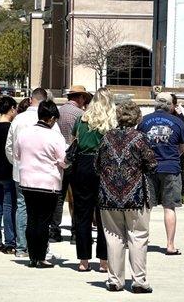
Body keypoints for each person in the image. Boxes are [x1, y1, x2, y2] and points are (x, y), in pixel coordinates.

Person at [95, 101, 157, 293]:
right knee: (138, 236)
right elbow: (152, 164)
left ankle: (115, 281)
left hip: (108, 197)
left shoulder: (106, 137)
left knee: (113, 237)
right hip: (136, 196)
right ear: (137, 118)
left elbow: (96, 165)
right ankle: (139, 281)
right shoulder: (141, 138)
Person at [6, 88, 61, 257]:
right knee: (43, 217)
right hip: (46, 178)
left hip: (23, 174)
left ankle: (22, 247)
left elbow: (10, 148)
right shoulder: (52, 125)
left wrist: (18, 164)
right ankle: (41, 250)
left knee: (24, 211)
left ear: (31, 100)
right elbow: (60, 153)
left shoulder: (18, 120)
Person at [15, 100, 67, 268]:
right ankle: (41, 256)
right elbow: (64, 161)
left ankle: (32, 256)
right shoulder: (55, 136)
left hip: (27, 181)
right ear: (51, 118)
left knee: (32, 219)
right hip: (48, 183)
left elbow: (17, 154)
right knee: (44, 221)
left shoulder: (24, 133)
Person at [137, 92, 184, 255]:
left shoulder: (144, 121)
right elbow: (181, 147)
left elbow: (139, 144)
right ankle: (170, 245)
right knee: (169, 207)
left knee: (146, 207)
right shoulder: (177, 122)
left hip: (149, 168)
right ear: (170, 105)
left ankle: (140, 241)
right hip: (171, 167)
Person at [70, 88, 114, 272]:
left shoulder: (82, 119)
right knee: (104, 214)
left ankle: (83, 260)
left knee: (82, 214)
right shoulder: (111, 121)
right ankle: (104, 261)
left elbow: (74, 139)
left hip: (82, 165)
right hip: (104, 166)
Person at [51, 85, 91, 243]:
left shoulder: (57, 112)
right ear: (80, 98)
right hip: (76, 159)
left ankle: (55, 231)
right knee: (77, 197)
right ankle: (76, 232)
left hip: (59, 160)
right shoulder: (82, 115)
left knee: (59, 197)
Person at [0, 96, 18, 253]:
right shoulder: (11, 128)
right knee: (8, 206)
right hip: (7, 170)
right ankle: (10, 241)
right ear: (12, 109)